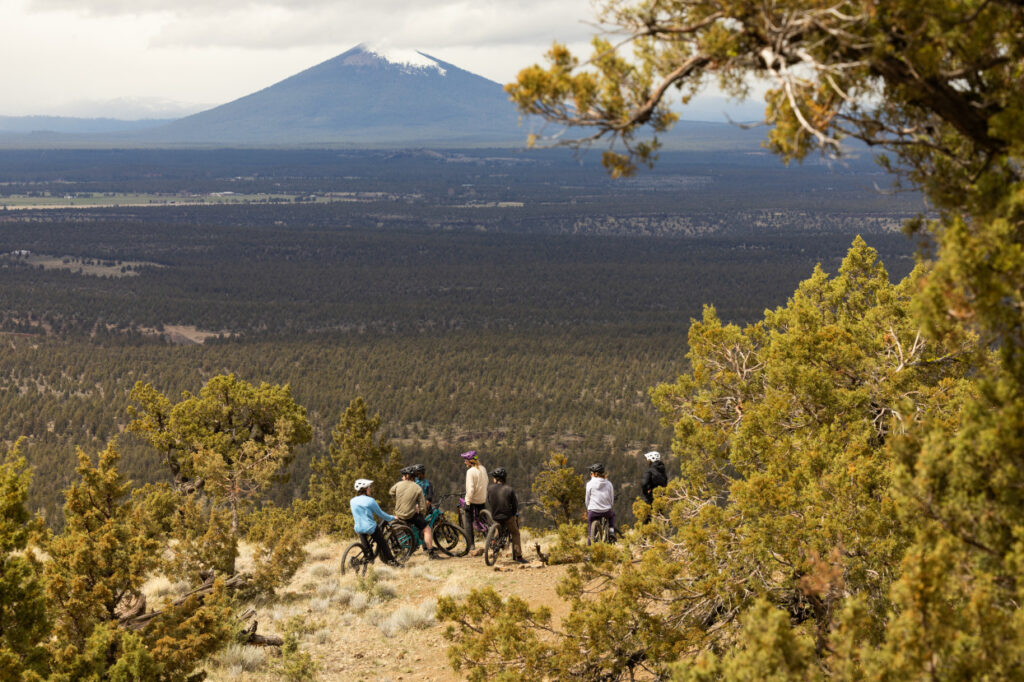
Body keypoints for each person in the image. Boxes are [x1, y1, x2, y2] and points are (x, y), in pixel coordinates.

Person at [390, 466, 438, 559]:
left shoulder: (399, 484)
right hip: (410, 514)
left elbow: (391, 492)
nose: (402, 477)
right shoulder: (417, 487)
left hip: (399, 513)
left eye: (403, 476)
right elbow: (422, 506)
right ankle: (431, 553)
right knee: (427, 529)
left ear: (407, 476)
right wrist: (422, 514)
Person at [350, 478, 399, 566]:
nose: (370, 489)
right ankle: (393, 561)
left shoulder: (352, 501)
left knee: (365, 542)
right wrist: (392, 517)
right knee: (383, 543)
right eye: (369, 487)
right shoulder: (370, 501)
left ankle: (368, 556)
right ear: (365, 489)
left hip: (358, 527)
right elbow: (381, 514)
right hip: (370, 527)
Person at [485, 467, 526, 563]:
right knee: (515, 533)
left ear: (496, 479)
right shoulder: (509, 489)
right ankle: (518, 556)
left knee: (497, 529)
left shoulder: (490, 488)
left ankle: (494, 544)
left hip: (495, 516)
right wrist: (514, 514)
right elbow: (515, 505)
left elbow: (489, 501)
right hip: (507, 516)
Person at [461, 450, 488, 552]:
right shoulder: (483, 469)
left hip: (473, 500)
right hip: (482, 499)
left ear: (469, 461)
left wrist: (467, 501)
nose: (464, 462)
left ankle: (471, 544)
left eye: (465, 460)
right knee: (483, 520)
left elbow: (471, 489)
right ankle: (489, 540)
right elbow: (487, 482)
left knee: (468, 521)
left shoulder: (470, 472)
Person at [585, 463, 615, 545]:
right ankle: (611, 531)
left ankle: (589, 554)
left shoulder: (589, 484)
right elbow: (611, 499)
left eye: (591, 473)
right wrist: (610, 506)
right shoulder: (609, 484)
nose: (590, 474)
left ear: (595, 474)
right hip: (606, 511)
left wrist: (589, 509)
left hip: (593, 511)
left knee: (590, 532)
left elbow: (587, 500)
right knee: (612, 515)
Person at [640, 450, 668, 523]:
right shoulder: (663, 471)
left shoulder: (650, 471)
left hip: (650, 499)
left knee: (646, 519)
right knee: (659, 519)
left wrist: (646, 493)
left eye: (648, 460)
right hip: (661, 499)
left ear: (651, 460)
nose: (647, 461)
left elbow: (644, 483)